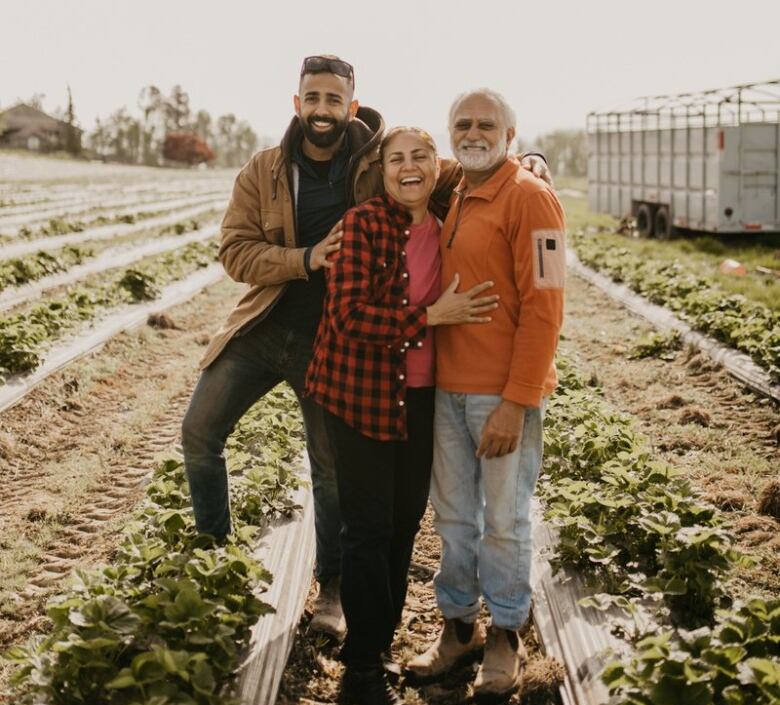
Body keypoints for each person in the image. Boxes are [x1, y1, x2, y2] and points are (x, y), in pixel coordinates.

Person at [181, 55, 550, 640]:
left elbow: (455, 167)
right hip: (266, 323)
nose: (322, 110)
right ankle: (211, 559)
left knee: (331, 473)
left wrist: (527, 160)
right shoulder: (265, 169)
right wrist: (305, 259)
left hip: (330, 343)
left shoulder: (371, 159)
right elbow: (234, 252)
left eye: (334, 100)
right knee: (200, 433)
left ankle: (332, 593)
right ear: (296, 103)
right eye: (312, 98)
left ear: (351, 107)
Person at [305, 126, 500, 705]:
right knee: (367, 532)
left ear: (437, 167)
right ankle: (362, 669)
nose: (409, 167)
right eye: (397, 159)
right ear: (382, 170)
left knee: (402, 525)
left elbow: (498, 169)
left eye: (420, 156)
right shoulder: (365, 224)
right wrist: (428, 317)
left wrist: (535, 160)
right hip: (357, 395)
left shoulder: (447, 223)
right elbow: (347, 316)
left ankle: (378, 643)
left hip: (419, 398)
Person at [407, 89, 565, 700]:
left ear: (511, 133)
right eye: (462, 124)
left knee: (503, 521)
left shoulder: (532, 197)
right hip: (447, 390)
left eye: (486, 124)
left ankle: (505, 634)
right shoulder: (459, 193)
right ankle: (457, 627)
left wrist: (517, 400)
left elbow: (546, 308)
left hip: (500, 396)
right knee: (452, 519)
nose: (473, 132)